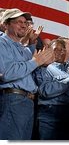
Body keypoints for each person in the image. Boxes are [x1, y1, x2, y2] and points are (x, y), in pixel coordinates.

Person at [0, 8, 54, 140]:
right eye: (19, 22)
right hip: (13, 99)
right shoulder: (2, 43)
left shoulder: (25, 50)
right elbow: (6, 73)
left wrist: (43, 64)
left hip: (29, 102)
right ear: (5, 25)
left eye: (25, 22)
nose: (24, 25)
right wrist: (36, 61)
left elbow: (34, 76)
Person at [34, 38, 69, 140]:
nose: (60, 52)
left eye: (63, 49)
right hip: (51, 117)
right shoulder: (44, 67)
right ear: (49, 50)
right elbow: (45, 91)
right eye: (56, 49)